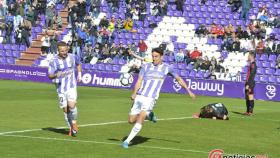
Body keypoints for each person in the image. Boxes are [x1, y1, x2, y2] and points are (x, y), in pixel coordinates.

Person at [122, 48, 196, 148]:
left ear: (161, 57)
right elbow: (139, 80)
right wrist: (134, 93)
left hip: (151, 98)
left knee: (141, 117)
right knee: (131, 120)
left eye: (156, 56)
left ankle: (127, 141)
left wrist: (188, 91)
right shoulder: (146, 66)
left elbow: (179, 79)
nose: (154, 58)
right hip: (140, 95)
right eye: (153, 56)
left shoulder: (167, 68)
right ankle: (150, 115)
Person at [48, 41, 82, 136]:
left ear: (67, 49)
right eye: (62, 51)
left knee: (71, 106)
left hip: (71, 86)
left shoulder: (72, 57)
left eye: (65, 50)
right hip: (60, 88)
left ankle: (74, 123)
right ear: (58, 51)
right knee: (66, 110)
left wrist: (79, 74)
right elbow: (50, 75)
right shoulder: (53, 61)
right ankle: (71, 127)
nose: (64, 52)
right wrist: (55, 75)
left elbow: (78, 64)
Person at [244, 52, 257, 116]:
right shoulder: (251, 64)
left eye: (248, 56)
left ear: (251, 56)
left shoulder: (253, 64)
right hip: (248, 82)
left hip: (250, 83)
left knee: (250, 96)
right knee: (247, 97)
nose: (248, 57)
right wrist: (246, 82)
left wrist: (248, 84)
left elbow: (252, 75)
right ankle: (247, 111)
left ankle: (251, 112)